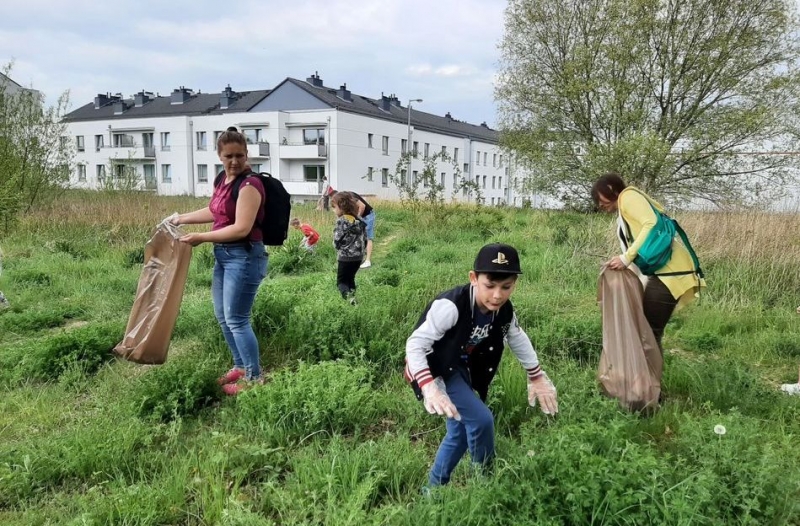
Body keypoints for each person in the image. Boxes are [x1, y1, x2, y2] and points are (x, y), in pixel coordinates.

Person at [404, 243, 558, 489]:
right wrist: (430, 386)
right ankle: (487, 483)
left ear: (514, 284)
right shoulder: (451, 306)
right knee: (481, 420)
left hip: (462, 367)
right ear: (473, 278)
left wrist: (536, 376)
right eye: (490, 286)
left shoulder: (503, 311)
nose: (497, 295)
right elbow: (415, 345)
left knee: (459, 433)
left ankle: (432, 490)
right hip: (438, 369)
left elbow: (516, 336)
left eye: (506, 287)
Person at [166, 126, 268, 395]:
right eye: (228, 156)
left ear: (247, 155)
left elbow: (241, 228)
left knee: (237, 319)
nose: (234, 161)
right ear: (219, 156)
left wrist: (202, 237)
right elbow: (215, 210)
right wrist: (180, 218)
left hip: (244, 256)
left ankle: (255, 379)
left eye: (239, 156)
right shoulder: (222, 180)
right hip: (223, 255)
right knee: (223, 317)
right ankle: (241, 367)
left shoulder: (250, 185)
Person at [591, 172, 705, 356]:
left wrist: (626, 258)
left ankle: (649, 382)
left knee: (648, 332)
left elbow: (650, 223)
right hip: (663, 272)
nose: (599, 203)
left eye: (601, 197)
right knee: (646, 330)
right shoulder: (625, 206)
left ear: (612, 190)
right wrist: (622, 260)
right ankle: (645, 380)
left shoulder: (628, 197)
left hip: (670, 273)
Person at [331, 191, 366, 305]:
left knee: (341, 283)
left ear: (342, 206)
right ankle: (354, 299)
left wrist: (337, 247)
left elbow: (337, 241)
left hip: (345, 258)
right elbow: (364, 238)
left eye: (334, 207)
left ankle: (351, 302)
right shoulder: (359, 220)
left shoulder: (342, 221)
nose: (334, 210)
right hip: (358, 257)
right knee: (350, 279)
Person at [347, 191, 376, 268]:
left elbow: (362, 206)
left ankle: (368, 261)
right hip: (362, 217)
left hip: (368, 216)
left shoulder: (350, 196)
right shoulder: (346, 198)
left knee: (368, 237)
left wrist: (357, 218)